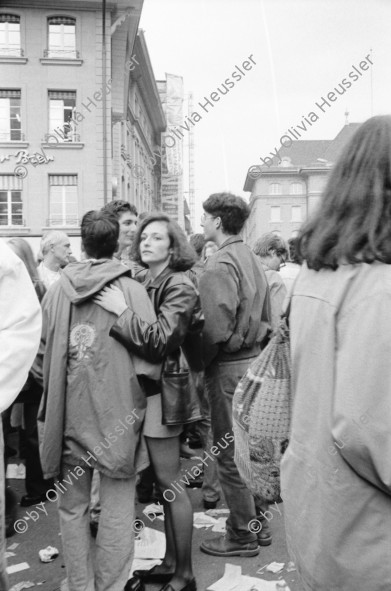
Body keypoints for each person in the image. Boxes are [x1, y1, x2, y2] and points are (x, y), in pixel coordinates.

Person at [281, 115, 391, 590]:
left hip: (321, 509)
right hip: (366, 532)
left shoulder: (317, 272)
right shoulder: (380, 285)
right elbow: (368, 429)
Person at [32, 211, 160, 591]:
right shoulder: (132, 290)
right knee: (118, 508)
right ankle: (112, 585)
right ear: (117, 243)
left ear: (83, 245)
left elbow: (39, 356)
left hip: (69, 414)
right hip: (117, 414)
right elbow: (152, 359)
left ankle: (79, 583)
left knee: (73, 509)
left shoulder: (58, 290)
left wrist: (57, 387)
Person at [94, 212, 202, 591]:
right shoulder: (146, 278)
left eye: (157, 238)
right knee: (162, 483)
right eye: (144, 237)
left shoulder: (180, 285)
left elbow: (159, 341)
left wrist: (120, 312)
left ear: (173, 247)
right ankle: (170, 562)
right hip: (150, 391)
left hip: (166, 393)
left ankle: (185, 575)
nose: (146, 242)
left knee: (172, 484)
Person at [198, 192, 272, 557]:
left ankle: (242, 534)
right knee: (251, 450)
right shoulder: (253, 258)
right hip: (255, 362)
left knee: (229, 455)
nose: (201, 222)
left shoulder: (219, 263)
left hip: (229, 367)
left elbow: (214, 329)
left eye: (204, 217)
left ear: (216, 222)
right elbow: (270, 317)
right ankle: (257, 526)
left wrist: (198, 360)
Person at [0, 239, 41, 590]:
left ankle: (33, 489)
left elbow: (22, 328)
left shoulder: (7, 266)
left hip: (26, 381)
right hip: (29, 381)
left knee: (30, 433)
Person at [7, 238, 52, 508]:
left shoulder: (36, 289)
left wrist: (36, 367)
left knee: (34, 433)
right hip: (17, 367)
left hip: (30, 369)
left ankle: (40, 486)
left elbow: (42, 333)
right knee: (24, 432)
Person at [253, 233, 288, 331]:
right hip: (261, 344)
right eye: (281, 262)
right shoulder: (273, 279)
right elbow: (277, 325)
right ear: (272, 252)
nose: (279, 269)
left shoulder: (242, 269)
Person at [101, 200, 138, 270]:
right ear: (110, 226)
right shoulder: (101, 267)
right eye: (127, 223)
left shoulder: (122, 265)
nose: (135, 229)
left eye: (135, 223)